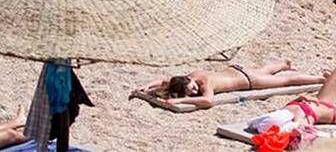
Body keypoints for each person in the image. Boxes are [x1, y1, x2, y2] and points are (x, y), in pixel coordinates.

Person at [132, 61, 324, 108]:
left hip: (249, 81)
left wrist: (180, 101)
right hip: (239, 70)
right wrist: (147, 86)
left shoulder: (205, 83)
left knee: (285, 81)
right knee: (265, 70)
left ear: (189, 81)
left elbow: (207, 101)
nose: (193, 92)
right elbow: (165, 81)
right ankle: (283, 64)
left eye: (191, 89)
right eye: (190, 92)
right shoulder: (191, 76)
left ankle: (320, 79)